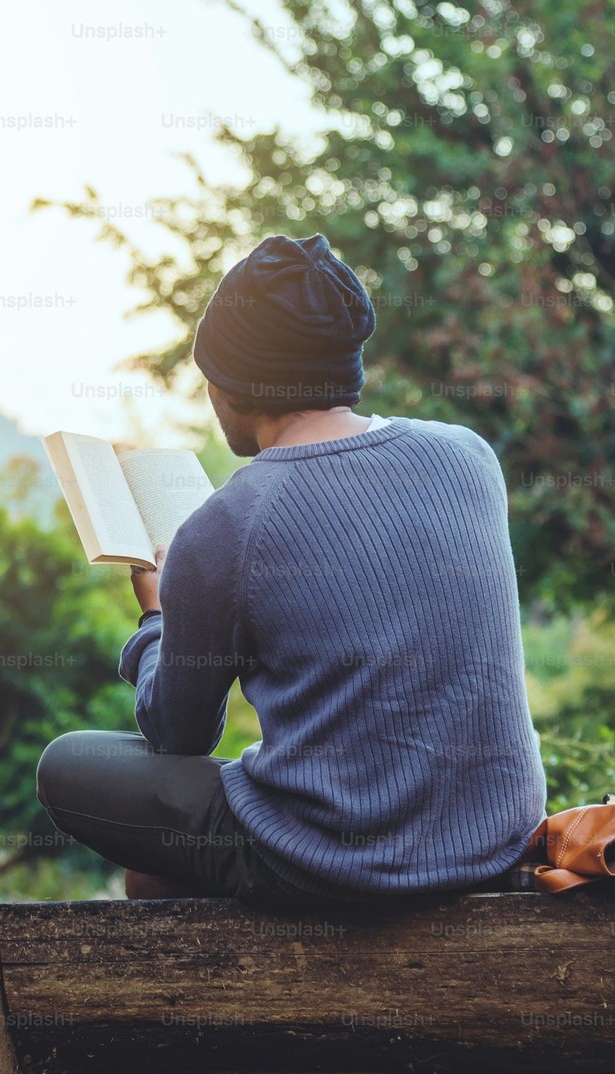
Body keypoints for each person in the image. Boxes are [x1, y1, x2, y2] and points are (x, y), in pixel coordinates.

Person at [36, 233, 546, 910]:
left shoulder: (228, 524)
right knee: (163, 868)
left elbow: (179, 734)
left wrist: (157, 615)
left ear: (235, 383)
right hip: (494, 838)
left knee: (70, 765)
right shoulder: (469, 458)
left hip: (331, 864)